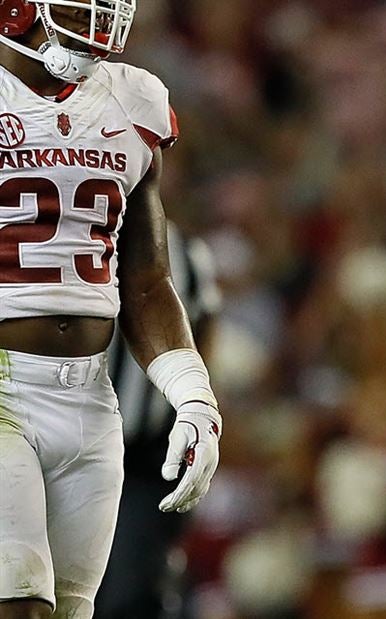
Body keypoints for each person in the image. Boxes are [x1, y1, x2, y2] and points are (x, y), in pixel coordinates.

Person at [0, 3, 223, 619]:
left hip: (92, 401)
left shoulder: (134, 99)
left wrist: (193, 395)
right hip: (2, 389)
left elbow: (148, 282)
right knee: (21, 605)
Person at [93, 225, 221, 619]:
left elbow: (204, 340)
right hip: (63, 441)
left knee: (129, 594)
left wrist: (199, 416)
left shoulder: (187, 252)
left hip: (147, 454)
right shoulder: (59, 235)